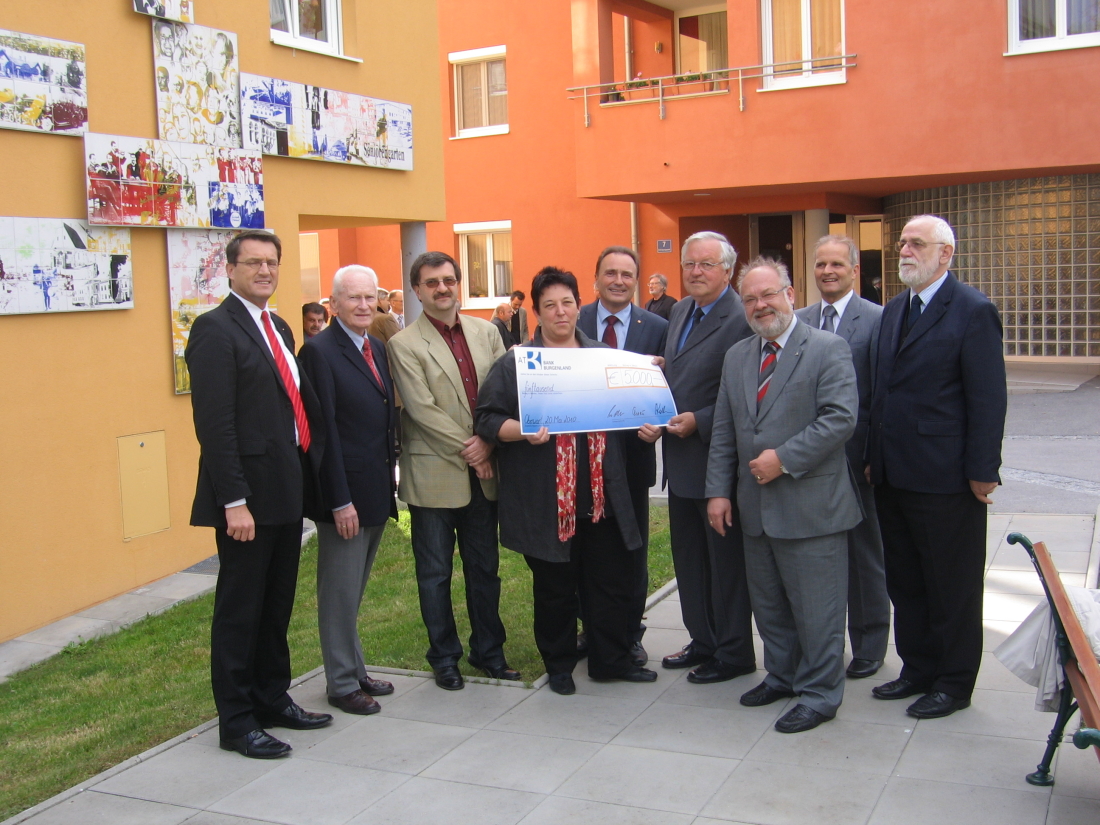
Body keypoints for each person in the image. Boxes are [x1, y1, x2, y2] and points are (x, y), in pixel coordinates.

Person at [475, 267, 657, 695]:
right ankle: (558, 666)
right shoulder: (518, 363)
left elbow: (630, 411)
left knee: (609, 583)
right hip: (548, 500)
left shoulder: (603, 357)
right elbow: (486, 419)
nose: (560, 312)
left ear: (579, 305)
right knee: (554, 589)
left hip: (602, 496)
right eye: (550, 305)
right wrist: (522, 430)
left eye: (567, 303)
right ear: (537, 312)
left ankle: (610, 661)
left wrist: (648, 425)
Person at [185, 230, 332, 760]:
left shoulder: (279, 325)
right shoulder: (214, 329)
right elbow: (216, 426)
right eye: (253, 263)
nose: (264, 271)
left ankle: (272, 698)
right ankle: (237, 721)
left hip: (284, 490)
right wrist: (234, 502)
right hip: (246, 499)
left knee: (276, 605)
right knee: (241, 611)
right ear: (229, 269)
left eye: (271, 262)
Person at [706, 257, 861, 733]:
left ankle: (820, 694)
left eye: (768, 294)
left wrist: (785, 458)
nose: (760, 305)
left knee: (818, 611)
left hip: (812, 507)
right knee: (770, 605)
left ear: (790, 294)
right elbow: (725, 430)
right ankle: (783, 676)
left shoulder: (828, 348)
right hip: (754, 508)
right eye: (750, 299)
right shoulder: (737, 356)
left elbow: (840, 418)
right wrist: (718, 492)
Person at [867, 215, 1007, 719]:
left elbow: (988, 398)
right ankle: (917, 668)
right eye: (902, 243)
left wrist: (983, 469)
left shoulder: (972, 310)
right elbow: (882, 391)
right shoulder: (893, 310)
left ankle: (953, 681)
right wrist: (872, 457)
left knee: (952, 585)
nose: (905, 250)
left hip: (946, 477)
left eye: (917, 243)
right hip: (892, 474)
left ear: (946, 253)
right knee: (906, 582)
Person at [387, 251, 519, 689]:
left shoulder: (488, 332)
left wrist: (489, 442)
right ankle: (444, 657)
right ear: (417, 290)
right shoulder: (403, 344)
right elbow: (422, 410)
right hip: (434, 476)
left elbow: (504, 393)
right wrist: (476, 448)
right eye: (431, 282)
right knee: (434, 574)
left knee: (485, 570)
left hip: (484, 475)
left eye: (448, 280)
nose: (441, 288)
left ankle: (489, 652)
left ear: (458, 283)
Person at [657, 231, 757, 685]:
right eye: (689, 264)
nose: (696, 272)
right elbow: (681, 371)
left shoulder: (741, 317)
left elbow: (746, 395)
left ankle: (734, 653)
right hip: (679, 463)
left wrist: (699, 419)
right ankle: (703, 639)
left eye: (707, 264)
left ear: (728, 270)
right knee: (690, 562)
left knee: (725, 567)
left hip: (718, 466)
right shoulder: (680, 310)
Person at [298, 265, 397, 716]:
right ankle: (340, 683)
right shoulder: (319, 352)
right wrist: (339, 501)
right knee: (338, 594)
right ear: (333, 304)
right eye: (353, 298)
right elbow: (323, 434)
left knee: (353, 591)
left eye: (369, 297)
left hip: (374, 489)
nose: (363, 305)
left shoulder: (376, 346)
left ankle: (354, 669)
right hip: (345, 498)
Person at [795, 235, 890, 680]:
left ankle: (870, 644)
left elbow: (882, 394)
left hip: (857, 460)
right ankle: (816, 643)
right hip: (806, 461)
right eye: (820, 264)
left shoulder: (878, 319)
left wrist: (874, 456)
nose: (827, 271)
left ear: (854, 270)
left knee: (864, 555)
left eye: (836, 264)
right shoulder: (798, 320)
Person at [577, 246, 668, 666]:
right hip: (581, 461)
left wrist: (660, 423)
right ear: (595, 278)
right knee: (584, 550)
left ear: (636, 281)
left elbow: (668, 387)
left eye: (626, 274)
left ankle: (630, 633)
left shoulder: (658, 327)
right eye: (610, 273)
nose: (618, 281)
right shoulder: (573, 319)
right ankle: (591, 629)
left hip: (633, 458)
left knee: (632, 550)